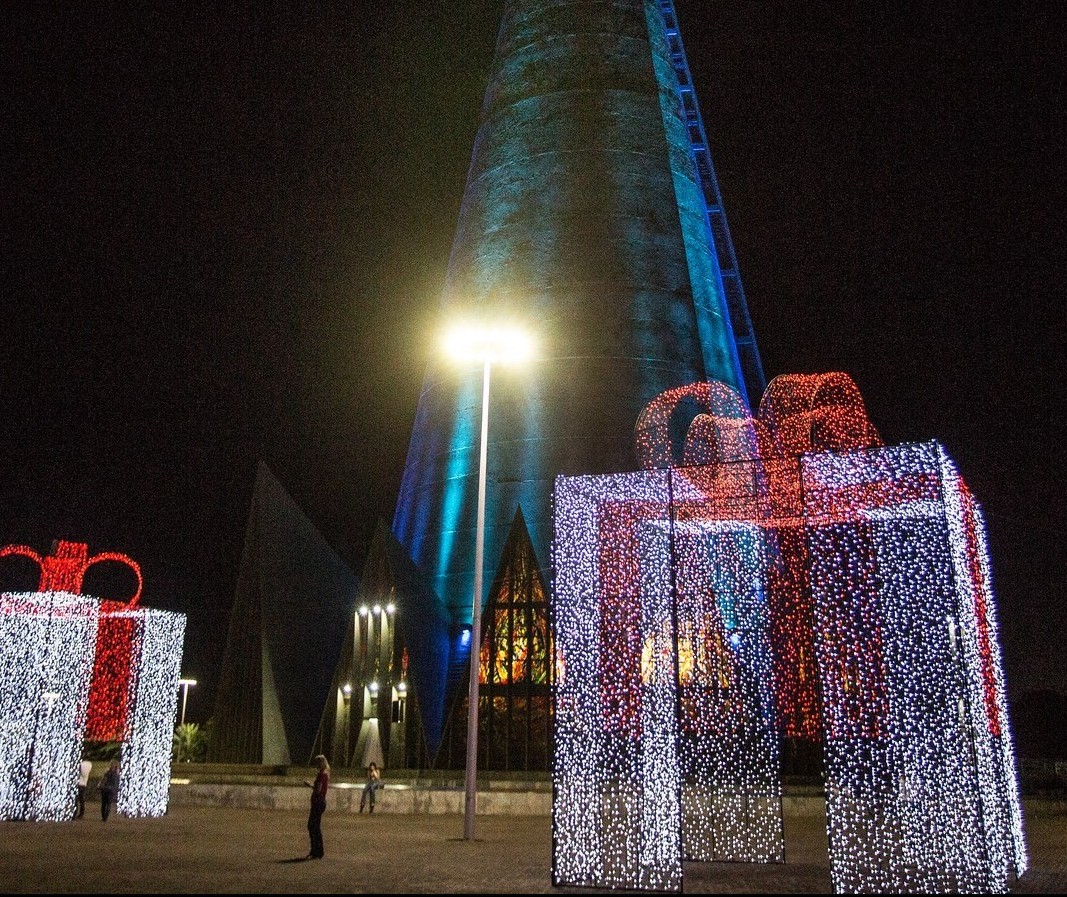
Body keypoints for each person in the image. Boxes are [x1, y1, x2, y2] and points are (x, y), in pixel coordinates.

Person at [303, 754, 330, 859]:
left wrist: (309, 785)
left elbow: (318, 790)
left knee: (312, 826)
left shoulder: (321, 775)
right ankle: (318, 851)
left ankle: (315, 851)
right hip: (321, 802)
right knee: (316, 826)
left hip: (318, 802)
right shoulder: (325, 774)